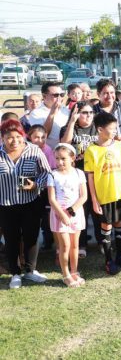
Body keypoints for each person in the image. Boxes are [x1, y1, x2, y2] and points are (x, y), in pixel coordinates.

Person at [0, 119, 51, 289]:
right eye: (9, 137)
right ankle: (15, 273)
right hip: (5, 205)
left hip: (31, 202)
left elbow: (46, 173)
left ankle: (30, 271)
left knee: (31, 236)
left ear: (23, 136)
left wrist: (36, 184)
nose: (14, 141)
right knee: (11, 239)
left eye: (18, 136)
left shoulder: (34, 150)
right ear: (2, 138)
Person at [84, 112, 121, 275]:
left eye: (115, 128)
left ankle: (120, 255)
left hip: (120, 193)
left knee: (119, 223)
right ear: (99, 129)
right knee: (107, 226)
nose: (115, 132)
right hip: (104, 196)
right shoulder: (91, 150)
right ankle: (108, 260)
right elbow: (90, 177)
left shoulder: (119, 146)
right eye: (111, 129)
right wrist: (94, 199)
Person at [59, 102, 98, 257]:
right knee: (81, 210)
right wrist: (72, 122)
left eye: (90, 112)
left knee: (97, 211)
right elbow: (64, 144)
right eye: (84, 112)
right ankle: (82, 244)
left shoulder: (97, 127)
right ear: (76, 113)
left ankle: (102, 241)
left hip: (95, 175)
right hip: (77, 176)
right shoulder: (68, 128)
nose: (88, 115)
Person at [47, 143, 87, 287]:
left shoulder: (79, 173)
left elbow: (83, 196)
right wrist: (63, 215)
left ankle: (74, 271)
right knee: (65, 246)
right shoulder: (52, 174)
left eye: (63, 158)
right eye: (57, 158)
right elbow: (52, 199)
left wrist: (72, 211)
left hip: (75, 213)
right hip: (59, 214)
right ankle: (66, 274)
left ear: (72, 158)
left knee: (75, 245)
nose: (59, 162)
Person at [27, 125, 55, 250]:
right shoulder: (26, 150)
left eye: (43, 137)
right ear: (29, 137)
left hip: (44, 189)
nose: (40, 140)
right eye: (36, 137)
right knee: (33, 217)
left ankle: (48, 242)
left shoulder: (47, 150)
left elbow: (51, 170)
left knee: (46, 218)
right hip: (29, 189)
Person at [25, 82, 70, 149]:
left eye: (62, 94)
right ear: (44, 96)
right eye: (55, 95)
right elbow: (43, 135)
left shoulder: (66, 110)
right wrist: (51, 114)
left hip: (65, 152)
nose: (59, 98)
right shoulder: (36, 113)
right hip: (47, 152)